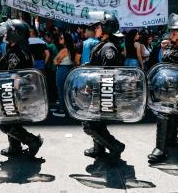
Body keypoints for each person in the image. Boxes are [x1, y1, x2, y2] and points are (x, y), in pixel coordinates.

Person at [148, 13, 178, 164]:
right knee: (172, 115)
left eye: (175, 32)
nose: (171, 34)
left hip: (175, 89)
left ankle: (160, 150)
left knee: (163, 115)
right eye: (171, 31)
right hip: (164, 87)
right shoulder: (170, 46)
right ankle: (172, 139)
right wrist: (163, 48)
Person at [0, 19, 43, 157]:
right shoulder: (21, 49)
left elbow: (14, 76)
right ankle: (14, 147)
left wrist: (9, 94)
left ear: (16, 34)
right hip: (18, 93)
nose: (5, 34)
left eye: (8, 31)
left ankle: (32, 140)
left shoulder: (16, 52)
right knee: (12, 120)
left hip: (13, 92)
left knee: (5, 123)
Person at [83, 13, 125, 160]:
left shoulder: (109, 48)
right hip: (97, 91)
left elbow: (108, 75)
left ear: (106, 28)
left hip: (103, 93)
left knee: (89, 124)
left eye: (98, 26)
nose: (96, 28)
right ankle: (98, 149)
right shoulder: (102, 44)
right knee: (98, 124)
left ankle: (115, 146)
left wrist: (101, 96)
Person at [52, 32, 74, 117]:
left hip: (62, 69)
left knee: (61, 90)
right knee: (66, 90)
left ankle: (62, 109)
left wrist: (58, 61)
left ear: (66, 40)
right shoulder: (72, 48)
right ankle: (66, 108)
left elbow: (55, 61)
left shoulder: (64, 50)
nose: (59, 39)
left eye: (61, 38)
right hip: (69, 68)